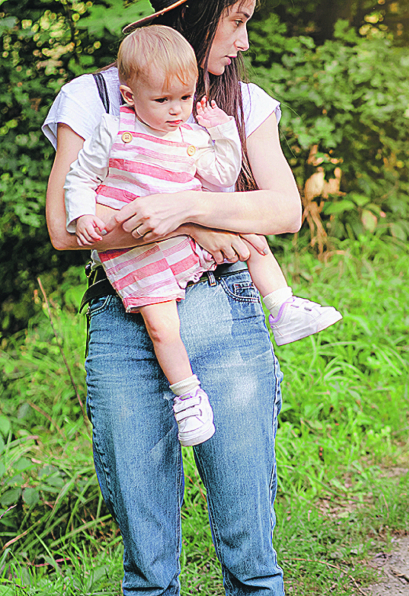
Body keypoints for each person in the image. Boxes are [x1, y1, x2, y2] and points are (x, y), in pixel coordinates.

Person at [43, 0, 303, 592]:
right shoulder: (97, 98)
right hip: (127, 318)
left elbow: (284, 211)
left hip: (226, 308)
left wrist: (182, 207)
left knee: (251, 556)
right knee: (148, 568)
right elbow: (64, 226)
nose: (243, 40)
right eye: (236, 20)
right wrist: (197, 226)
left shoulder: (244, 102)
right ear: (197, 9)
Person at [64, 25, 341, 447]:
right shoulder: (112, 128)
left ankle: (283, 307)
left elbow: (220, 179)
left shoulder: (191, 131)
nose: (176, 110)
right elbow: (80, 179)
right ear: (129, 95)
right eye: (163, 100)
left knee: (251, 237)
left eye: (185, 98)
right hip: (141, 254)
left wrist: (223, 134)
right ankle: (188, 397)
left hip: (191, 245)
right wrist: (83, 213)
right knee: (163, 327)